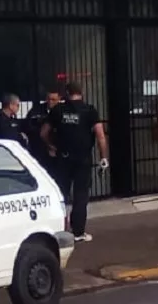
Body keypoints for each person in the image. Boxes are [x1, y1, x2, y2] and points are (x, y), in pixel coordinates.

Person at [41, 82, 109, 243]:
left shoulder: (58, 110)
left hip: (63, 158)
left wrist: (51, 147)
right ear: (82, 92)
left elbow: (43, 133)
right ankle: (78, 232)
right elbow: (100, 136)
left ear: (66, 93)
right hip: (83, 159)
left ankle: (59, 228)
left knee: (61, 195)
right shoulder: (89, 111)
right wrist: (104, 157)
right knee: (80, 195)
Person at [23, 89, 61, 175]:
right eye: (48, 99)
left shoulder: (63, 111)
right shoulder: (36, 110)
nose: (50, 102)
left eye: (53, 99)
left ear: (59, 99)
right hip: (39, 151)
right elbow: (27, 127)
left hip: (58, 152)